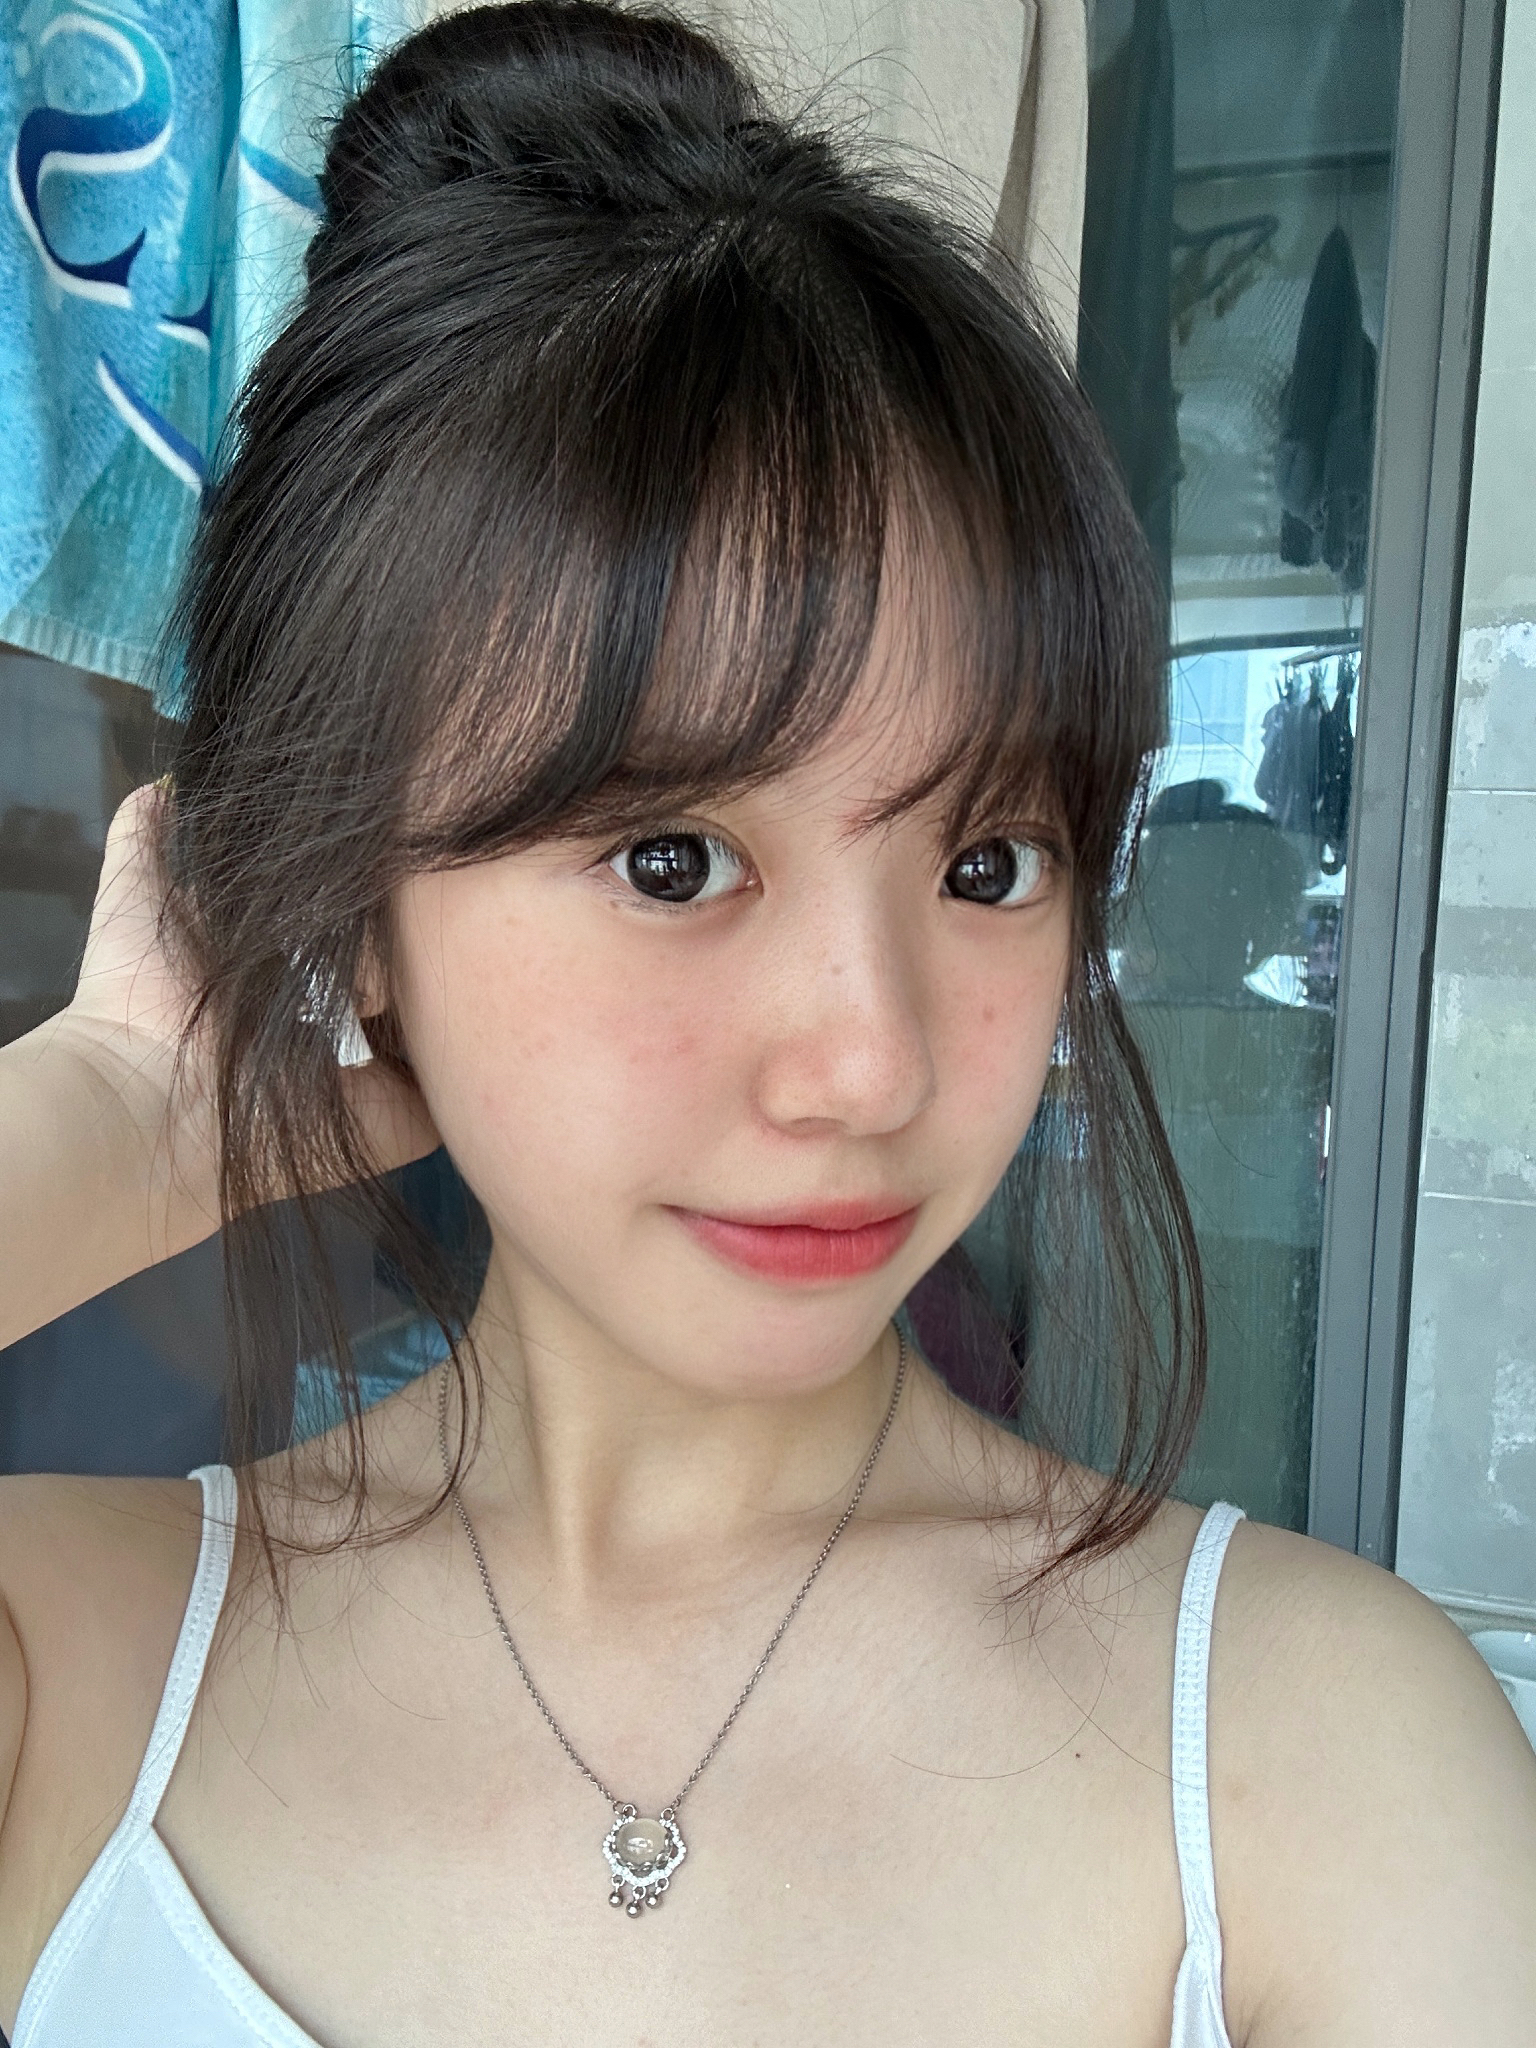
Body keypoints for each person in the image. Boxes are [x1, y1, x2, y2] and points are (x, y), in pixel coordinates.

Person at [1, 6, 1533, 2043]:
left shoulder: (1317, 1766)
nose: (876, 1065)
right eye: (674, 860)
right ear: (359, 897)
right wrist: (115, 1110)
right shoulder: (73, 1670)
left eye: (989, 860)